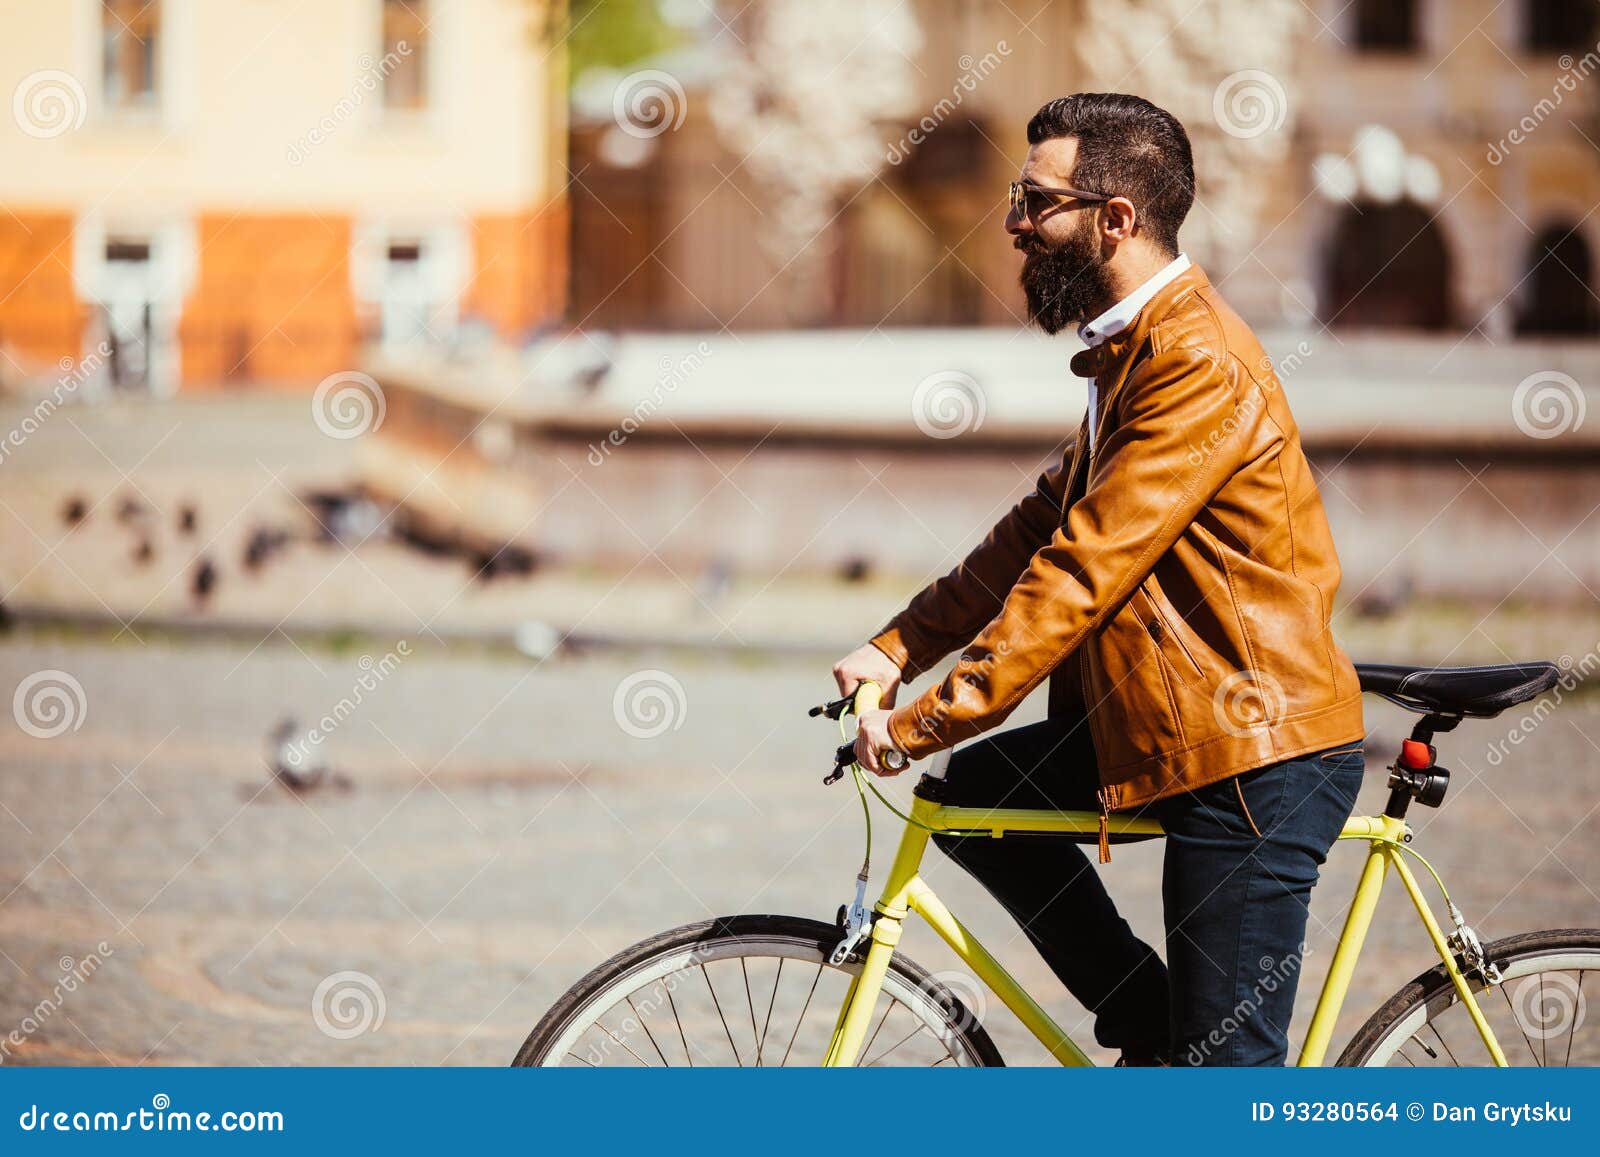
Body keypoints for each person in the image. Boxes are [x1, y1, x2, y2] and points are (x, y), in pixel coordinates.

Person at [832, 93, 1366, 1067]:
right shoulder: (1131, 347)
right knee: (980, 802)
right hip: (1169, 720)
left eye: (1034, 202)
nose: (1012, 225)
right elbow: (1038, 527)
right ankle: (1148, 1030)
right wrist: (896, 645)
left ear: (1114, 218)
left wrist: (921, 718)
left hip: (1247, 750)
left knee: (1224, 1080)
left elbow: (1083, 569)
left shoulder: (1193, 360)